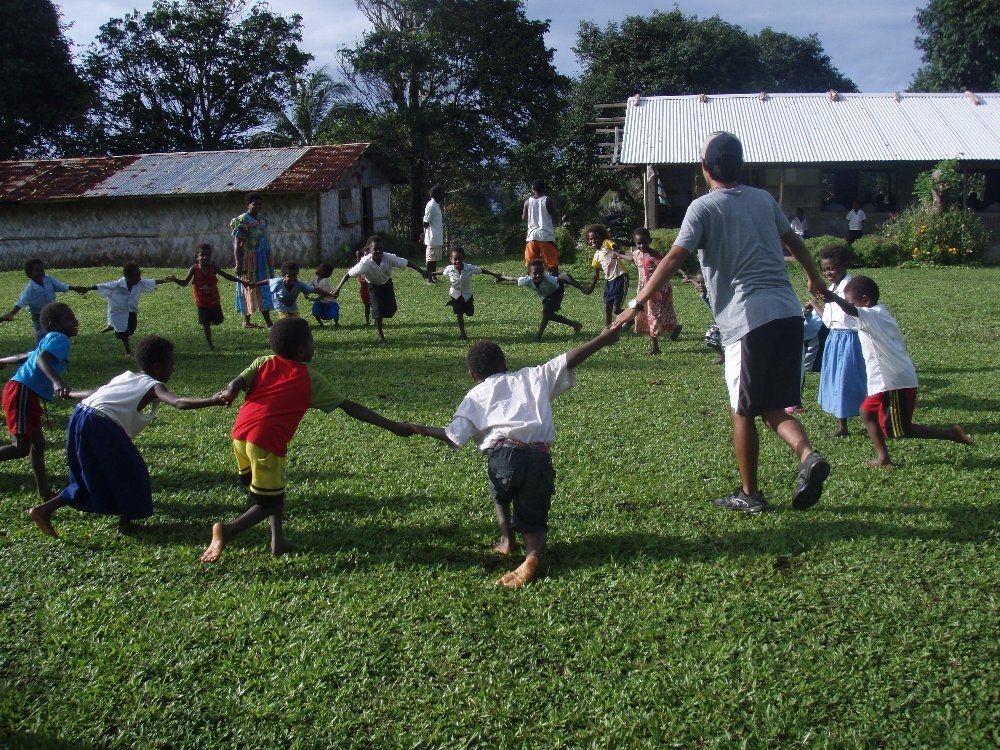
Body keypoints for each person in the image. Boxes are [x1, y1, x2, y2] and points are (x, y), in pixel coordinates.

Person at [615, 131, 830, 514]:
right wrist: (813, 278)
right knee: (769, 405)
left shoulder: (703, 207)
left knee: (742, 409)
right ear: (741, 166)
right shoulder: (764, 199)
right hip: (787, 315)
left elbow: (675, 258)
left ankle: (750, 494)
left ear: (704, 169)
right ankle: (808, 456)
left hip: (748, 321)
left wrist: (637, 302)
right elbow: (794, 243)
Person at [406, 326, 621, 588]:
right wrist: (602, 339)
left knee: (500, 493)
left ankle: (507, 541)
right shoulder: (532, 377)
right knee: (534, 515)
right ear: (505, 364)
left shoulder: (475, 395)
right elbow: (568, 359)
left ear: (473, 374)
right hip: (539, 455)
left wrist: (419, 429)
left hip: (503, 455)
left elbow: (454, 436)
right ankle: (533, 554)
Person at [199, 317, 413, 562]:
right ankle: (226, 531)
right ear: (301, 349)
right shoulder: (309, 378)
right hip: (266, 443)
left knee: (274, 489)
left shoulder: (263, 362)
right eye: (311, 341)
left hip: (240, 435)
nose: (314, 345)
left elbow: (237, 382)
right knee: (268, 502)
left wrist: (229, 391)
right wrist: (392, 426)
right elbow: (350, 407)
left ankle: (277, 541)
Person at [26, 336, 227, 538]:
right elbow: (178, 403)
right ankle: (126, 523)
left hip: (81, 415)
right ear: (157, 367)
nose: (173, 369)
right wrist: (213, 400)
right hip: (102, 424)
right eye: (171, 365)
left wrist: (70, 394)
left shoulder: (126, 376)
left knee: (94, 474)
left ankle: (44, 510)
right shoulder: (154, 385)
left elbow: (95, 393)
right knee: (133, 472)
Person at [819, 276, 975, 467]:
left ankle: (952, 434)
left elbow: (851, 311)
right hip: (886, 380)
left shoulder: (871, 315)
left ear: (866, 300)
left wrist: (834, 298)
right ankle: (883, 458)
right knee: (866, 411)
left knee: (901, 430)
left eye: (853, 301)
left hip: (893, 382)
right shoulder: (878, 313)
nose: (851, 307)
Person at [0, 303, 78, 499]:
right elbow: (41, 359)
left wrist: (2, 361)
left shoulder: (51, 338)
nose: (75, 322)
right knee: (20, 448)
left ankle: (44, 491)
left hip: (24, 392)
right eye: (69, 319)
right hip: (22, 391)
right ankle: (43, 490)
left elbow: (27, 356)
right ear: (54, 324)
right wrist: (57, 382)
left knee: (38, 444)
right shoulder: (59, 338)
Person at [811, 245, 866, 437]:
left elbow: (855, 312)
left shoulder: (851, 287)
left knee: (851, 381)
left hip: (850, 339)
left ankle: (872, 417)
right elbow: (828, 319)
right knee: (835, 380)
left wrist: (832, 298)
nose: (828, 273)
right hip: (834, 339)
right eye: (825, 269)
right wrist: (815, 304)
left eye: (832, 268)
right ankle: (842, 425)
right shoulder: (831, 288)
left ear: (844, 265)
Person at [331, 235, 429, 341]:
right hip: (373, 286)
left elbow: (407, 262)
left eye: (380, 249)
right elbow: (348, 274)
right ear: (369, 250)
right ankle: (380, 335)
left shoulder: (389, 257)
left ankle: (382, 315)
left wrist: (421, 271)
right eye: (375, 249)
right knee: (377, 310)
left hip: (386, 283)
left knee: (391, 309)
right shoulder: (364, 262)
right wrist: (338, 288)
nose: (378, 251)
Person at [84, 262, 175, 356]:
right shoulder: (117, 285)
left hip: (131, 310)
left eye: (139, 275)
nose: (139, 278)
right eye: (136, 276)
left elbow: (153, 282)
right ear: (127, 276)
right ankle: (128, 351)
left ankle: (111, 326)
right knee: (123, 332)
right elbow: (101, 286)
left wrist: (165, 280)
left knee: (131, 329)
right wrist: (87, 288)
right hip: (118, 311)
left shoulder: (140, 282)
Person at [174, 243, 245, 351]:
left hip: (214, 302)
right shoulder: (194, 269)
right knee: (205, 324)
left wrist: (241, 281)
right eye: (202, 255)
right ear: (196, 257)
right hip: (202, 304)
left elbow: (226, 275)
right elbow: (184, 282)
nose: (205, 257)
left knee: (218, 320)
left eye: (207, 255)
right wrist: (175, 279)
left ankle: (210, 320)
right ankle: (210, 344)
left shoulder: (213, 268)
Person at [497, 259, 586, 342]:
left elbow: (564, 277)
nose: (539, 275)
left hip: (557, 292)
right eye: (535, 273)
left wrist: (581, 288)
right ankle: (575, 325)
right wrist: (502, 277)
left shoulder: (548, 279)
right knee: (549, 315)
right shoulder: (526, 280)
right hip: (546, 296)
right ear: (529, 274)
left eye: (541, 272)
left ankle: (538, 336)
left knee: (546, 311)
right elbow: (513, 278)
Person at [1, 259, 89, 343]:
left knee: (57, 329)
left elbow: (61, 286)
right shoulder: (30, 289)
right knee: (41, 333)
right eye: (37, 271)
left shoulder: (48, 280)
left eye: (42, 270)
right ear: (29, 274)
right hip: (38, 315)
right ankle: (40, 350)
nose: (41, 273)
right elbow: (21, 302)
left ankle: (56, 345)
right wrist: (12, 313)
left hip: (52, 313)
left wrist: (74, 288)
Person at [433, 245, 502, 340]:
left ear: (463, 259)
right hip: (455, 295)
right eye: (455, 259)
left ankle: (466, 312)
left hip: (467, 295)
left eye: (460, 259)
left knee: (470, 313)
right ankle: (463, 333)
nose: (457, 261)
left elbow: (482, 271)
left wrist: (495, 275)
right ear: (451, 259)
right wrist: (431, 273)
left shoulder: (469, 268)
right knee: (459, 313)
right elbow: (442, 272)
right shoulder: (449, 269)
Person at [630, 227, 681, 354]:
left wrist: (684, 274)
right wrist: (618, 255)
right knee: (649, 314)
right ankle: (674, 327)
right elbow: (630, 258)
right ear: (635, 243)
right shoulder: (636, 254)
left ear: (649, 241)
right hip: (643, 290)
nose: (641, 245)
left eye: (644, 242)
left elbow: (669, 265)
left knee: (655, 315)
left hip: (658, 291)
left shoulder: (655, 256)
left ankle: (655, 347)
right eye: (638, 243)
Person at [231, 192, 275, 329]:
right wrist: (238, 263)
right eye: (254, 204)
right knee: (247, 286)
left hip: (263, 259)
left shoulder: (262, 220)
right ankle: (247, 321)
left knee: (264, 287)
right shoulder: (242, 220)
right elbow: (237, 244)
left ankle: (268, 321)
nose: (257, 206)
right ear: (247, 205)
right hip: (248, 259)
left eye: (259, 204)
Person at [582, 224, 631, 330]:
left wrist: (619, 252)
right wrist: (591, 287)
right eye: (591, 239)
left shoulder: (606, 243)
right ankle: (607, 329)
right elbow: (596, 273)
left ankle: (631, 318)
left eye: (596, 238)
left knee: (616, 309)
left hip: (620, 277)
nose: (593, 241)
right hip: (609, 282)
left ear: (602, 238)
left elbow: (615, 246)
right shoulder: (596, 255)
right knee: (607, 307)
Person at [249, 261, 335, 319]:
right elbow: (267, 281)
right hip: (280, 304)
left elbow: (314, 290)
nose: (293, 279)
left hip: (292, 305)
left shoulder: (299, 283)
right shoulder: (278, 282)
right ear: (284, 275)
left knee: (296, 321)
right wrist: (255, 284)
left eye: (295, 276)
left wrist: (328, 293)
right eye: (290, 276)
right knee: (286, 320)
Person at [522, 179, 560, 274]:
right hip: (546, 235)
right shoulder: (547, 200)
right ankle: (554, 280)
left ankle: (532, 279)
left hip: (532, 235)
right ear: (544, 188)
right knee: (551, 264)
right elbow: (555, 216)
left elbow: (524, 217)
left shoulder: (528, 201)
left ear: (532, 188)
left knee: (531, 262)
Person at [422, 185, 445, 282]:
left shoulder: (436, 205)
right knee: (430, 259)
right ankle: (429, 279)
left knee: (435, 258)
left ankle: (434, 276)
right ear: (435, 194)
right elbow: (426, 221)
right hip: (432, 237)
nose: (442, 195)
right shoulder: (431, 205)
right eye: (440, 193)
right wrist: (424, 234)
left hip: (437, 237)